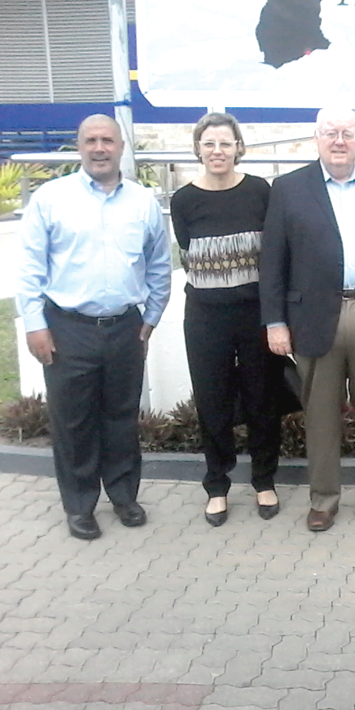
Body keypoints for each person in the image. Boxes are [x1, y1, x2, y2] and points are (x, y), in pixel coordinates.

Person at [16, 114, 172, 540]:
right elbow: (29, 268)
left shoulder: (143, 202)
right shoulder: (51, 198)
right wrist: (35, 325)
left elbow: (159, 266)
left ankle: (124, 496)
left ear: (121, 146)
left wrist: (151, 317)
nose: (99, 148)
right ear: (79, 146)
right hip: (68, 329)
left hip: (125, 327)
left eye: (107, 140)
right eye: (90, 141)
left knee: (121, 418)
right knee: (73, 422)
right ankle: (80, 505)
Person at [260, 108, 355, 532]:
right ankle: (324, 499)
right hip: (312, 317)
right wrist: (275, 321)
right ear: (317, 138)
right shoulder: (289, 189)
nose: (340, 140)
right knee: (321, 415)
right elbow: (273, 261)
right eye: (331, 133)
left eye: (348, 133)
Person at [170, 112, 285, 527]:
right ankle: (216, 485)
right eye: (209, 144)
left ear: (239, 147)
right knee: (212, 402)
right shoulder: (183, 200)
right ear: (198, 148)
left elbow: (273, 253)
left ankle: (263, 480)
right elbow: (187, 248)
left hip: (254, 314)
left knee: (262, 399)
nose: (217, 151)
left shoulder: (259, 191)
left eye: (225, 143)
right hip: (205, 317)